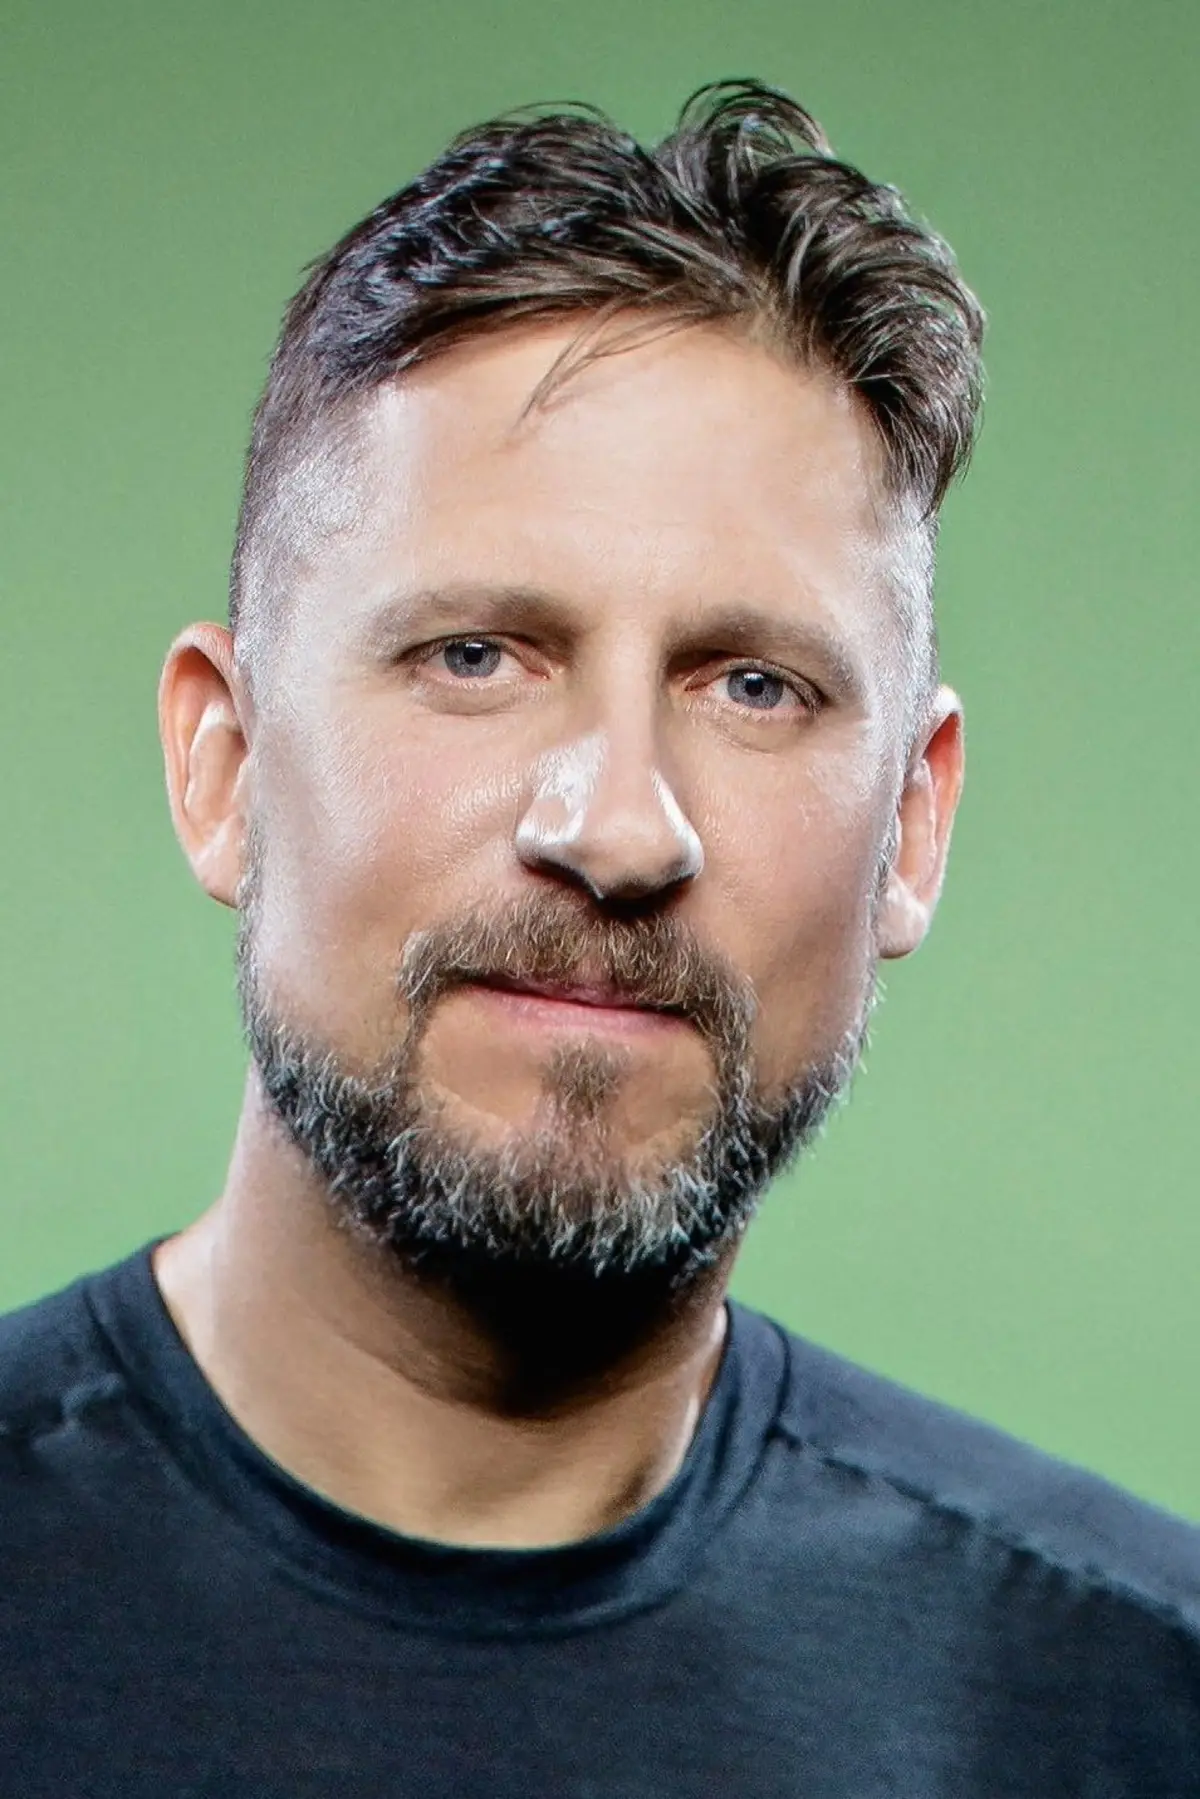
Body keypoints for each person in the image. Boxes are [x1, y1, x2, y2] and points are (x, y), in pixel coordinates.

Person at [2, 78, 1196, 1797]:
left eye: (756, 685)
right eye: (475, 656)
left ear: (913, 826)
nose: (621, 826)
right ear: (226, 764)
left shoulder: (1131, 1709)